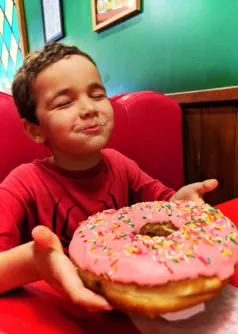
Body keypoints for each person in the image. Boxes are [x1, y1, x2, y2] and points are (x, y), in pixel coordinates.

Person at [0, 42, 218, 312]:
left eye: (97, 94)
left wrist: (178, 201)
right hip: (61, 312)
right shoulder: (22, 184)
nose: (89, 108)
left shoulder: (120, 164)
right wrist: (34, 261)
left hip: (133, 303)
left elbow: (165, 206)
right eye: (65, 102)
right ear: (35, 130)